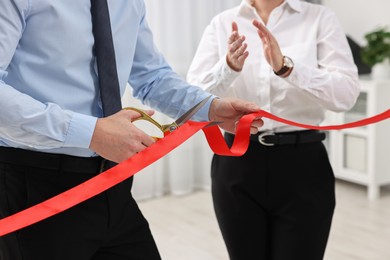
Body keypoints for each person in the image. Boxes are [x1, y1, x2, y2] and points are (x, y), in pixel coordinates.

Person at [0, 0, 263, 259]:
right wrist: (89, 132)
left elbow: (152, 76)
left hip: (113, 182)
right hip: (34, 185)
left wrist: (209, 107)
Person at [187, 0, 360, 259]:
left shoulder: (320, 18)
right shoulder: (222, 23)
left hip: (303, 166)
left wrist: (287, 68)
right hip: (236, 165)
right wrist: (229, 68)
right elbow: (191, 101)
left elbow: (346, 95)